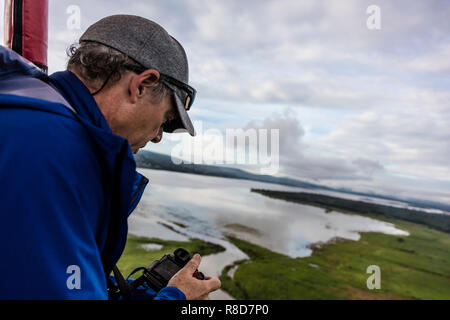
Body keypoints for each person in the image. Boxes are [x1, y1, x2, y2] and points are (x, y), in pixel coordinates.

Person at [0, 15, 221, 300]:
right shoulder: (54, 151)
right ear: (142, 85)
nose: (157, 136)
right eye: (165, 120)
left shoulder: (28, 106)